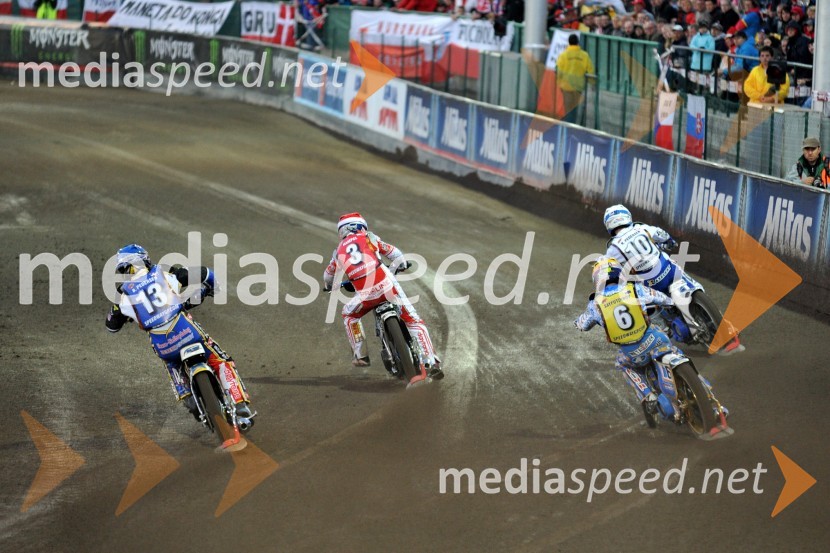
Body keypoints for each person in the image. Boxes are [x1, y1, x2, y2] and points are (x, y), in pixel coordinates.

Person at [105, 244, 254, 423]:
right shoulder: (163, 274)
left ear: (124, 269)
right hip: (187, 331)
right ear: (143, 260)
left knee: (171, 363)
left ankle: (187, 396)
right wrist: (214, 289)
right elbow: (206, 273)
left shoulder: (123, 298)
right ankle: (240, 406)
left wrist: (120, 312)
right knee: (221, 361)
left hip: (164, 346)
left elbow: (111, 326)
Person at [601, 204, 744, 353]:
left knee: (643, 304)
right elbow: (662, 235)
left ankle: (663, 330)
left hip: (651, 283)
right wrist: (670, 243)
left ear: (609, 225)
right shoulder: (641, 228)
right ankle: (723, 323)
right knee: (689, 282)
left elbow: (609, 269)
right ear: (627, 216)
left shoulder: (613, 248)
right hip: (669, 270)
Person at [322, 213, 442, 379]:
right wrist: (400, 265)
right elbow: (395, 254)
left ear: (341, 231)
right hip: (387, 288)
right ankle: (431, 360)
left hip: (365, 296)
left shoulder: (338, 252)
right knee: (413, 320)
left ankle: (360, 355)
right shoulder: (369, 237)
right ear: (360, 226)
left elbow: (328, 276)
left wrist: (329, 286)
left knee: (348, 314)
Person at [573, 257, 688, 419]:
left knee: (622, 364)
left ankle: (648, 395)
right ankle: (708, 395)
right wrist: (670, 303)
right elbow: (663, 299)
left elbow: (583, 324)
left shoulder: (595, 305)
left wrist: (577, 323)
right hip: (656, 341)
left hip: (633, 354)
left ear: (597, 280)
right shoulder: (634, 289)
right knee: (674, 349)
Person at [556, 33, 595, 125]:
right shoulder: (584, 55)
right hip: (578, 87)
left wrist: (558, 83)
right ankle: (572, 125)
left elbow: (559, 71)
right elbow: (590, 70)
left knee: (568, 108)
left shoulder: (563, 55)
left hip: (566, 87)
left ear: (568, 43)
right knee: (575, 109)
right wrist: (592, 83)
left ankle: (568, 127)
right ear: (578, 43)